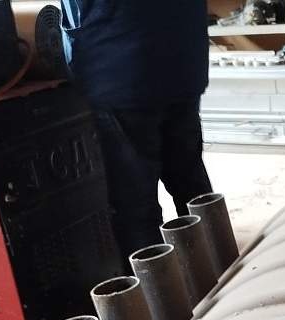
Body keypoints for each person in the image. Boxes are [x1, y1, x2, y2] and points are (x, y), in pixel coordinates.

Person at [59, 0, 213, 260]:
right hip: (182, 55)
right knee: (190, 182)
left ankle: (157, 284)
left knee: (136, 205)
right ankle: (222, 270)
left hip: (118, 65)